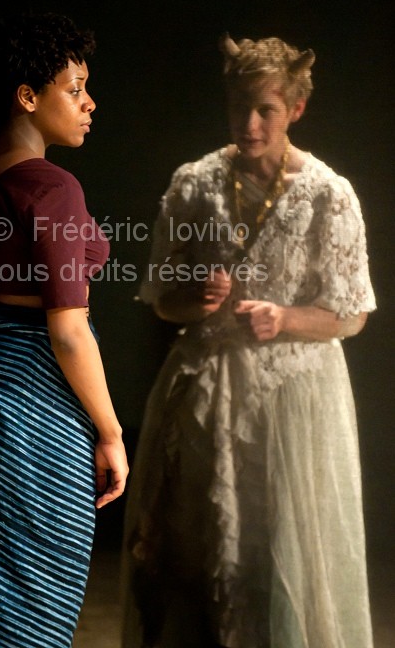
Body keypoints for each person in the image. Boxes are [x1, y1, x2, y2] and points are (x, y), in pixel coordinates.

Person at [120, 33, 376, 647]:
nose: (250, 122)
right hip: (206, 394)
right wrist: (196, 299)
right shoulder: (196, 182)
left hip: (292, 403)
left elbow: (352, 314)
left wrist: (285, 319)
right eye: (240, 107)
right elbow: (161, 295)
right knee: (196, 555)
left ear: (295, 109)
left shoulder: (327, 195)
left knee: (279, 552)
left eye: (265, 108)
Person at [0, 11, 129, 648]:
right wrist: (111, 432)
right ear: (28, 98)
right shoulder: (52, 189)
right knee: (30, 606)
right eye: (75, 88)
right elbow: (69, 332)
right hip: (34, 405)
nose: (90, 103)